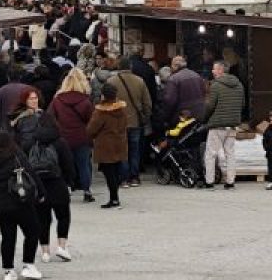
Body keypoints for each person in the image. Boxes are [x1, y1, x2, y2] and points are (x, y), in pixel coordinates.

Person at [11, 89, 73, 263]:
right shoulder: (59, 142)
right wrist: (69, 181)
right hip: (57, 181)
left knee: (43, 218)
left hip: (39, 184)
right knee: (63, 215)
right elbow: (68, 163)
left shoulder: (31, 143)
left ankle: (45, 251)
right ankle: (62, 246)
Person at [0, 130, 43, 280]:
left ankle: (8, 270)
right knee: (32, 231)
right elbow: (31, 173)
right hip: (19, 201)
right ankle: (28, 264)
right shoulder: (16, 155)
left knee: (7, 237)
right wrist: (41, 192)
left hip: (0, 203)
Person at [47, 69, 95, 203]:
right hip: (81, 137)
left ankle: (67, 188)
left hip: (63, 138)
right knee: (84, 165)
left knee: (64, 165)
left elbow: (49, 117)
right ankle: (87, 191)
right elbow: (91, 120)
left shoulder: (57, 101)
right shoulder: (85, 101)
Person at [109, 55, 152, 188]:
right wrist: (145, 116)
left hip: (117, 122)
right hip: (135, 121)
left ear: (118, 67)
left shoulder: (111, 81)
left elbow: (105, 102)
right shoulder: (140, 81)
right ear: (131, 67)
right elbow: (147, 103)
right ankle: (134, 177)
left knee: (122, 150)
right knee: (135, 150)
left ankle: (123, 178)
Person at [203, 60, 244, 190]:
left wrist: (204, 119)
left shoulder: (215, 86)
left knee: (211, 154)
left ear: (221, 70)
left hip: (218, 125)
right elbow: (242, 105)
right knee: (230, 154)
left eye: (214, 69)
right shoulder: (239, 85)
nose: (212, 71)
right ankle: (230, 182)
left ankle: (209, 182)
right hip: (232, 125)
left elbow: (210, 106)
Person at [87, 82, 129, 208]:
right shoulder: (122, 109)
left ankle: (114, 199)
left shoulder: (100, 112)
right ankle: (115, 197)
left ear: (103, 96)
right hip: (119, 143)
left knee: (109, 173)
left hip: (105, 146)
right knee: (115, 171)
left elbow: (91, 130)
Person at [159, 55, 205, 126]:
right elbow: (203, 93)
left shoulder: (174, 79)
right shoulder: (197, 75)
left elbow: (169, 101)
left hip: (182, 118)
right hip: (198, 116)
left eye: (171, 65)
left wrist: (164, 118)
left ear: (175, 66)